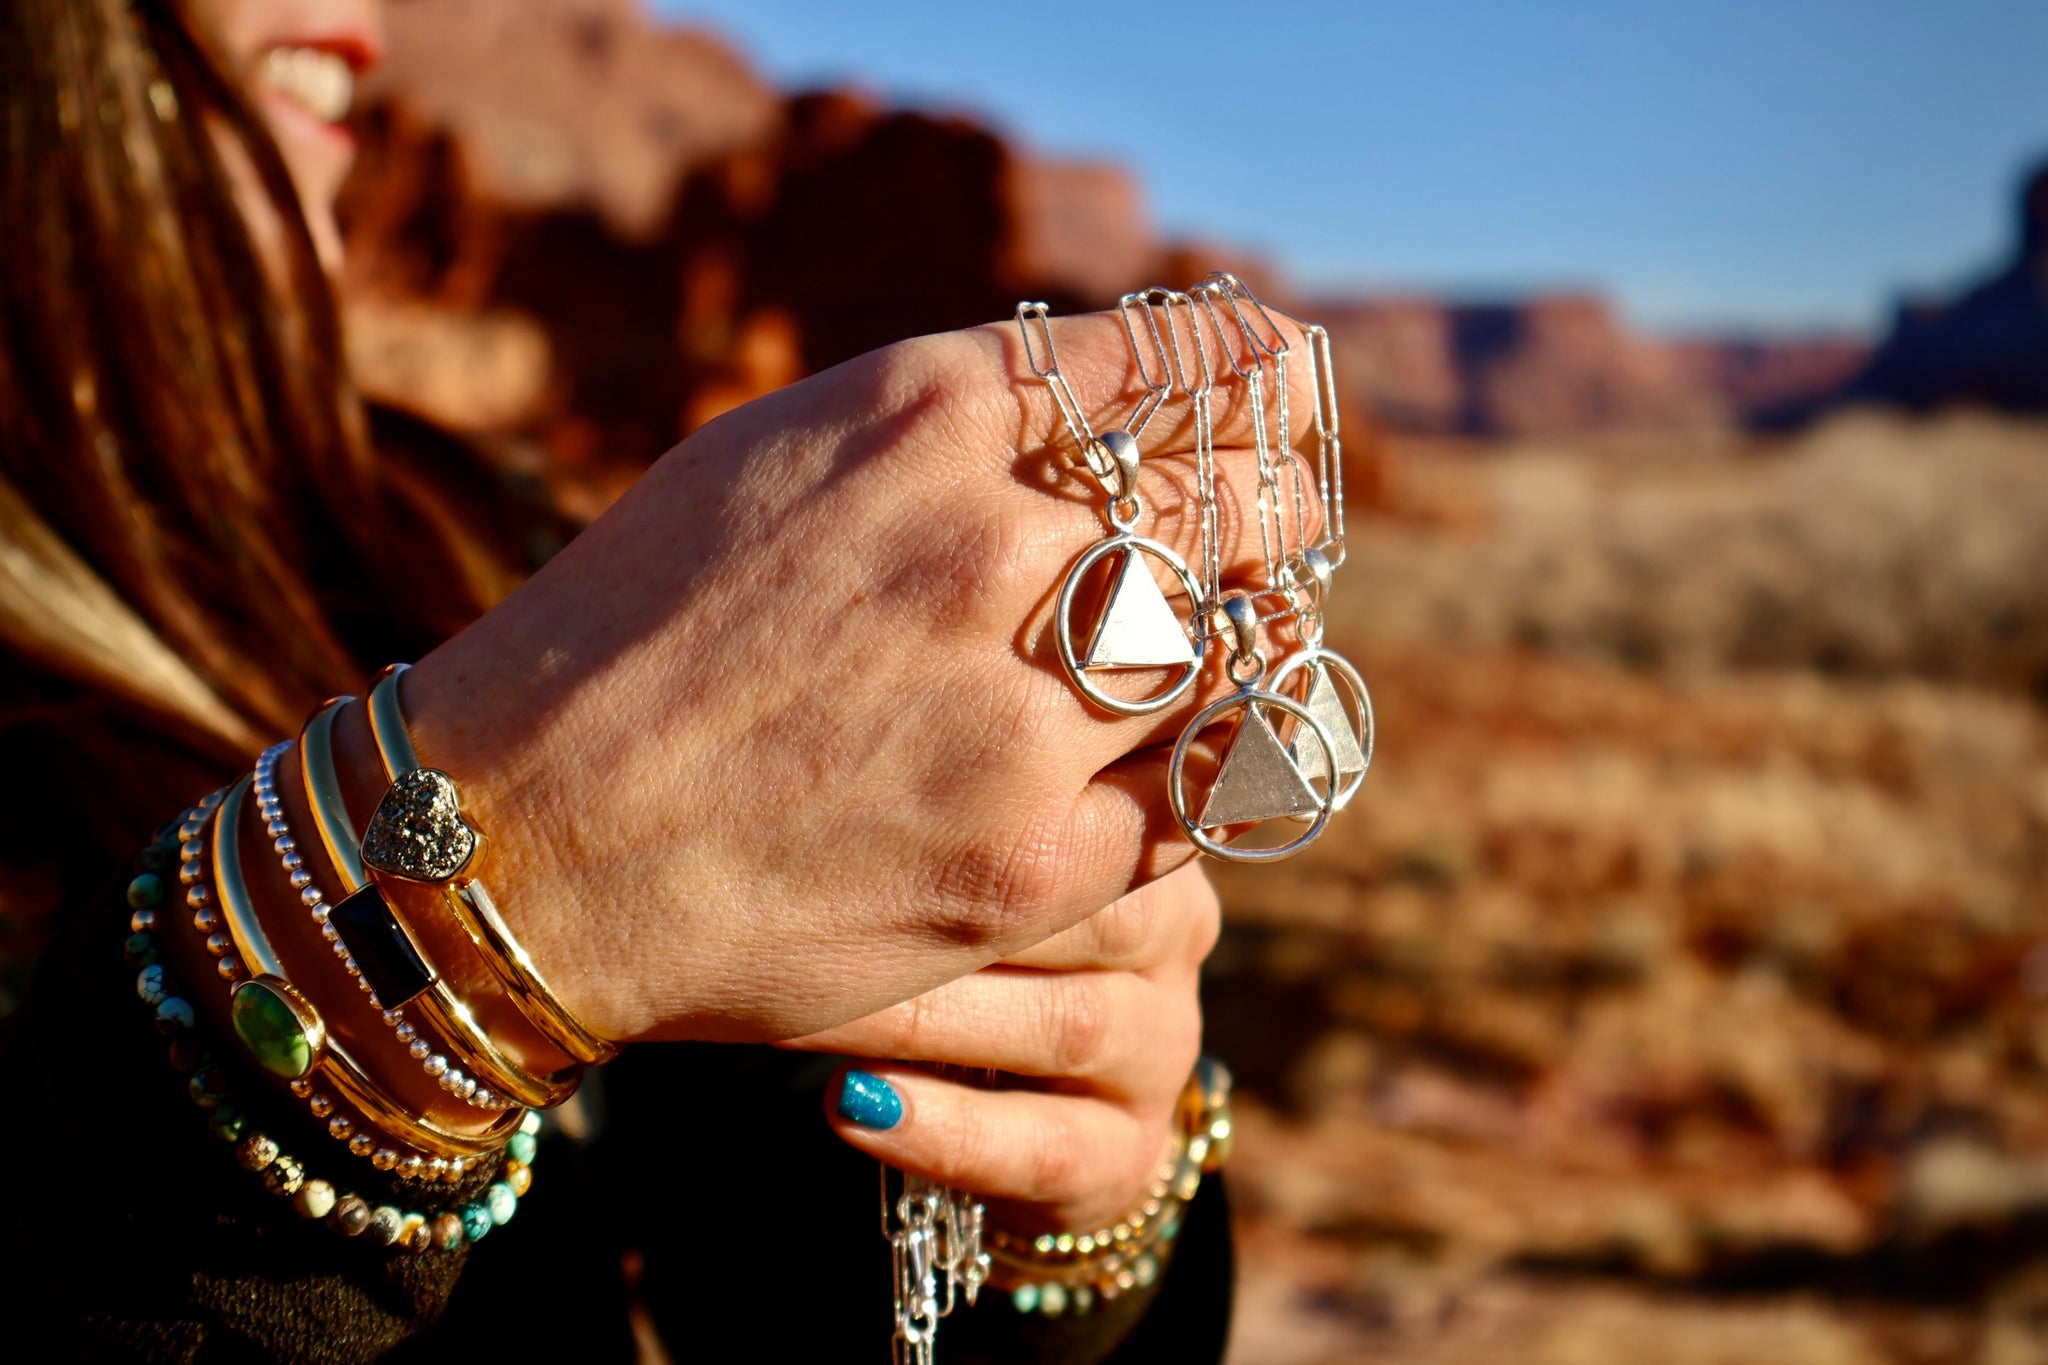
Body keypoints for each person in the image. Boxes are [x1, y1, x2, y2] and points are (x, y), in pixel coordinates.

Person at [0, 0, 1315, 1358]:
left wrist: (1066, 1213)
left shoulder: (464, 539)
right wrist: (474, 889)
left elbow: (787, 1285)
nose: (364, 16)